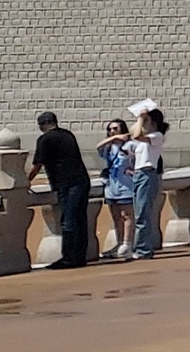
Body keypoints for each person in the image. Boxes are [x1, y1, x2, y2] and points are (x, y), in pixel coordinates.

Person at [28, 110, 93, 268]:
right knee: (80, 219)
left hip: (67, 183)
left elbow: (37, 165)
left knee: (68, 221)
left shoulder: (45, 139)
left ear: (43, 125)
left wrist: (26, 180)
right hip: (82, 180)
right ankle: (80, 256)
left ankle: (69, 258)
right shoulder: (68, 134)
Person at [126, 104, 168, 259]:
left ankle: (143, 249)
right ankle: (141, 247)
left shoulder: (157, 136)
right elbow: (133, 133)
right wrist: (141, 118)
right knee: (138, 213)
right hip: (139, 174)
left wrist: (140, 117)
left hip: (147, 174)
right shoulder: (145, 140)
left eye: (146, 120)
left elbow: (136, 135)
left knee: (143, 213)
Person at [96, 116, 136, 259]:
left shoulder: (131, 145)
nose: (112, 131)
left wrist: (134, 170)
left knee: (127, 215)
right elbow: (98, 147)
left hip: (126, 185)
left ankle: (127, 243)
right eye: (110, 129)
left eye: (115, 128)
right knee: (116, 217)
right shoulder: (108, 147)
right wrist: (112, 139)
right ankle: (119, 243)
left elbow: (139, 160)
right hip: (111, 186)